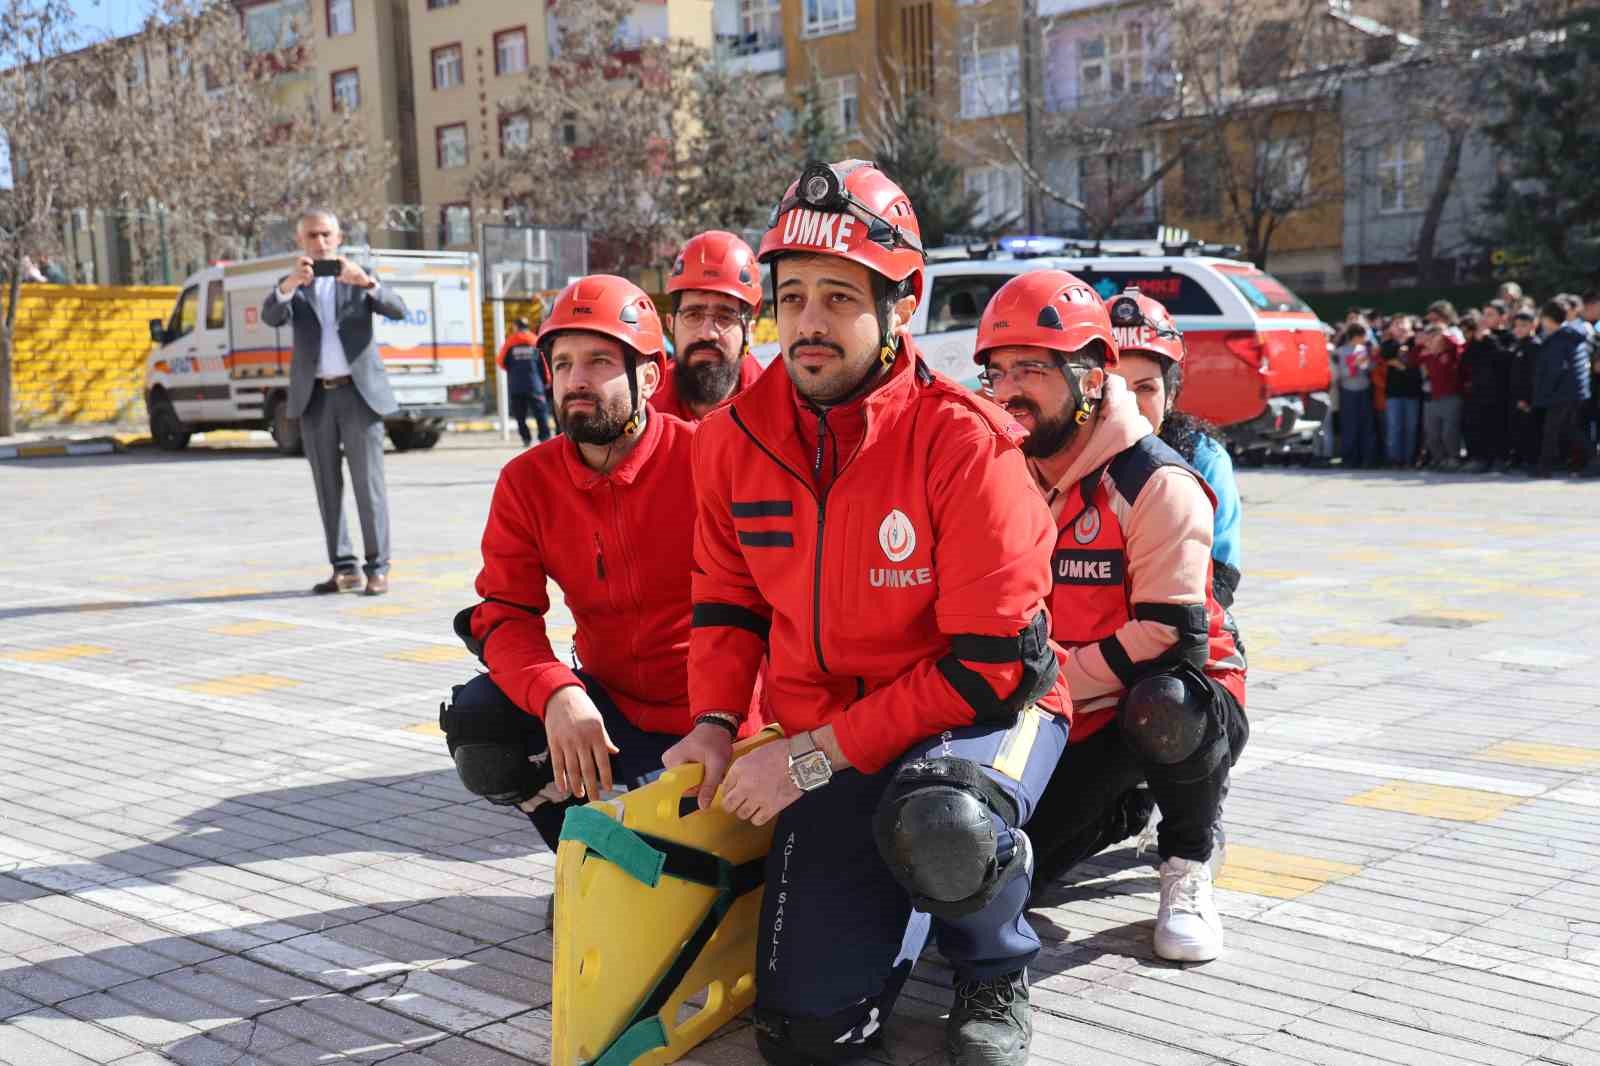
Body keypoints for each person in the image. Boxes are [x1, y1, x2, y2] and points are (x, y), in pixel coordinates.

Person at [665, 160, 1066, 1066]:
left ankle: (994, 965)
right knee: (805, 1037)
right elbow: (726, 599)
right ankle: (909, 899)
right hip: (832, 740)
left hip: (979, 719)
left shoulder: (965, 442)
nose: (807, 322)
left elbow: (985, 667)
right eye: (792, 294)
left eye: (840, 297)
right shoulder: (732, 440)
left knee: (942, 826)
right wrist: (717, 721)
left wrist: (812, 758)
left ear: (903, 303)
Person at [974, 274, 1247, 964]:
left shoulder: (1158, 481)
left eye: (1033, 369)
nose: (1010, 389)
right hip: (1064, 711)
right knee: (996, 875)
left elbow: (1169, 638)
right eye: (997, 370)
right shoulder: (1004, 467)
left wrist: (1047, 684)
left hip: (1170, 695)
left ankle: (1187, 861)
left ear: (1093, 378)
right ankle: (1125, 808)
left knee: (1165, 705)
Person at [438, 275, 755, 851]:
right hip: (610, 714)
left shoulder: (710, 459)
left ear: (651, 376)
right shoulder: (525, 483)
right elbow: (505, 613)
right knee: (482, 721)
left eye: (600, 361)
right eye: (562, 364)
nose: (576, 381)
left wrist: (731, 720)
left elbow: (767, 607)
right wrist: (556, 692)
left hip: (721, 719)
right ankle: (586, 858)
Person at [260, 207, 407, 596]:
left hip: (358, 395)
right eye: (311, 236)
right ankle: (344, 568)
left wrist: (367, 283)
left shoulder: (358, 277)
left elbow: (398, 308)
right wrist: (291, 283)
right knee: (327, 486)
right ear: (300, 241)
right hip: (315, 398)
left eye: (326, 234)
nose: (319, 242)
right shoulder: (292, 283)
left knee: (368, 485)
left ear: (339, 238)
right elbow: (270, 315)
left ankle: (377, 567)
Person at [1107, 287, 1244, 608]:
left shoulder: (1202, 458)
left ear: (1169, 396)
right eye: (1111, 386)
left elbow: (1221, 575)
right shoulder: (1059, 456)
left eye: (1145, 388)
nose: (1126, 401)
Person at [652, 231, 766, 422]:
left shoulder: (781, 412)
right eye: (693, 315)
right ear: (671, 324)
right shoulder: (645, 408)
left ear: (749, 332)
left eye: (724, 317)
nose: (707, 333)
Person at [1532, 298, 1597, 477]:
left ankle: (1544, 468)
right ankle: (1594, 457)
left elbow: (1555, 369)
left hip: (1563, 390)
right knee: (1568, 428)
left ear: (1548, 319)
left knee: (1552, 430)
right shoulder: (1569, 335)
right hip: (1574, 389)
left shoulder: (1559, 339)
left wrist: (1544, 392)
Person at [1461, 311, 1512, 472]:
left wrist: (1489, 339)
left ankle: (1500, 459)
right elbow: (1465, 361)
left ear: (1502, 317)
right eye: (1485, 315)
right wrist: (1475, 341)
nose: (1485, 319)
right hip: (1479, 391)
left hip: (1499, 392)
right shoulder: (1478, 339)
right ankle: (1480, 458)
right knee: (1477, 426)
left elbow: (1504, 358)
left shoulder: (1506, 336)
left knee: (1498, 427)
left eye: (1490, 315)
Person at [497, 317, 554, 446]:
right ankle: (544, 438)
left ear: (516, 326)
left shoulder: (510, 341)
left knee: (520, 415)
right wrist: (547, 380)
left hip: (516, 385)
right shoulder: (535, 340)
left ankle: (526, 438)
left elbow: (500, 362)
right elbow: (545, 364)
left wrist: (514, 371)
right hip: (535, 385)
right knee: (540, 413)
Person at [1418, 319, 1465, 469]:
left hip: (1450, 398)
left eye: (1436, 338)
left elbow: (1458, 346)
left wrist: (1445, 334)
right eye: (1430, 338)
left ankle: (1453, 458)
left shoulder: (1452, 353)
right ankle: (1440, 459)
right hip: (1431, 399)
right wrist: (1422, 343)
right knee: (1432, 433)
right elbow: (1412, 359)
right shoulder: (1427, 355)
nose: (1433, 342)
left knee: (1449, 432)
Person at [1380, 316, 1424, 468]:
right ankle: (1395, 459)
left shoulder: (1416, 342)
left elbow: (1415, 364)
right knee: (1394, 427)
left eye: (1402, 323)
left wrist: (1402, 366)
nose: (1399, 327)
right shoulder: (1388, 344)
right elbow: (1386, 356)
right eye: (1395, 324)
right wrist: (1400, 349)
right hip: (1393, 393)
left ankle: (1410, 459)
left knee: (1411, 427)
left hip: (1412, 392)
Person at [1333, 322, 1378, 468]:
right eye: (1363, 335)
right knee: (1349, 425)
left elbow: (1370, 369)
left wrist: (1367, 364)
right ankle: (1349, 459)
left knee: (1367, 425)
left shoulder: (1364, 350)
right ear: (1356, 336)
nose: (1365, 338)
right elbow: (1339, 374)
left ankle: (1368, 458)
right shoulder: (1340, 351)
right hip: (1348, 392)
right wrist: (1352, 366)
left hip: (1364, 390)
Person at [1509, 310, 1542, 469]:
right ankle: (1520, 458)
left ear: (1533, 325)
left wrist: (1526, 398)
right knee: (1519, 429)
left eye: (1523, 325)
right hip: (1516, 396)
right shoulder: (1518, 345)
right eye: (1516, 326)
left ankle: (1532, 460)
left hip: (1528, 398)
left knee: (1530, 430)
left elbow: (1532, 376)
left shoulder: (1534, 345)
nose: (1519, 329)